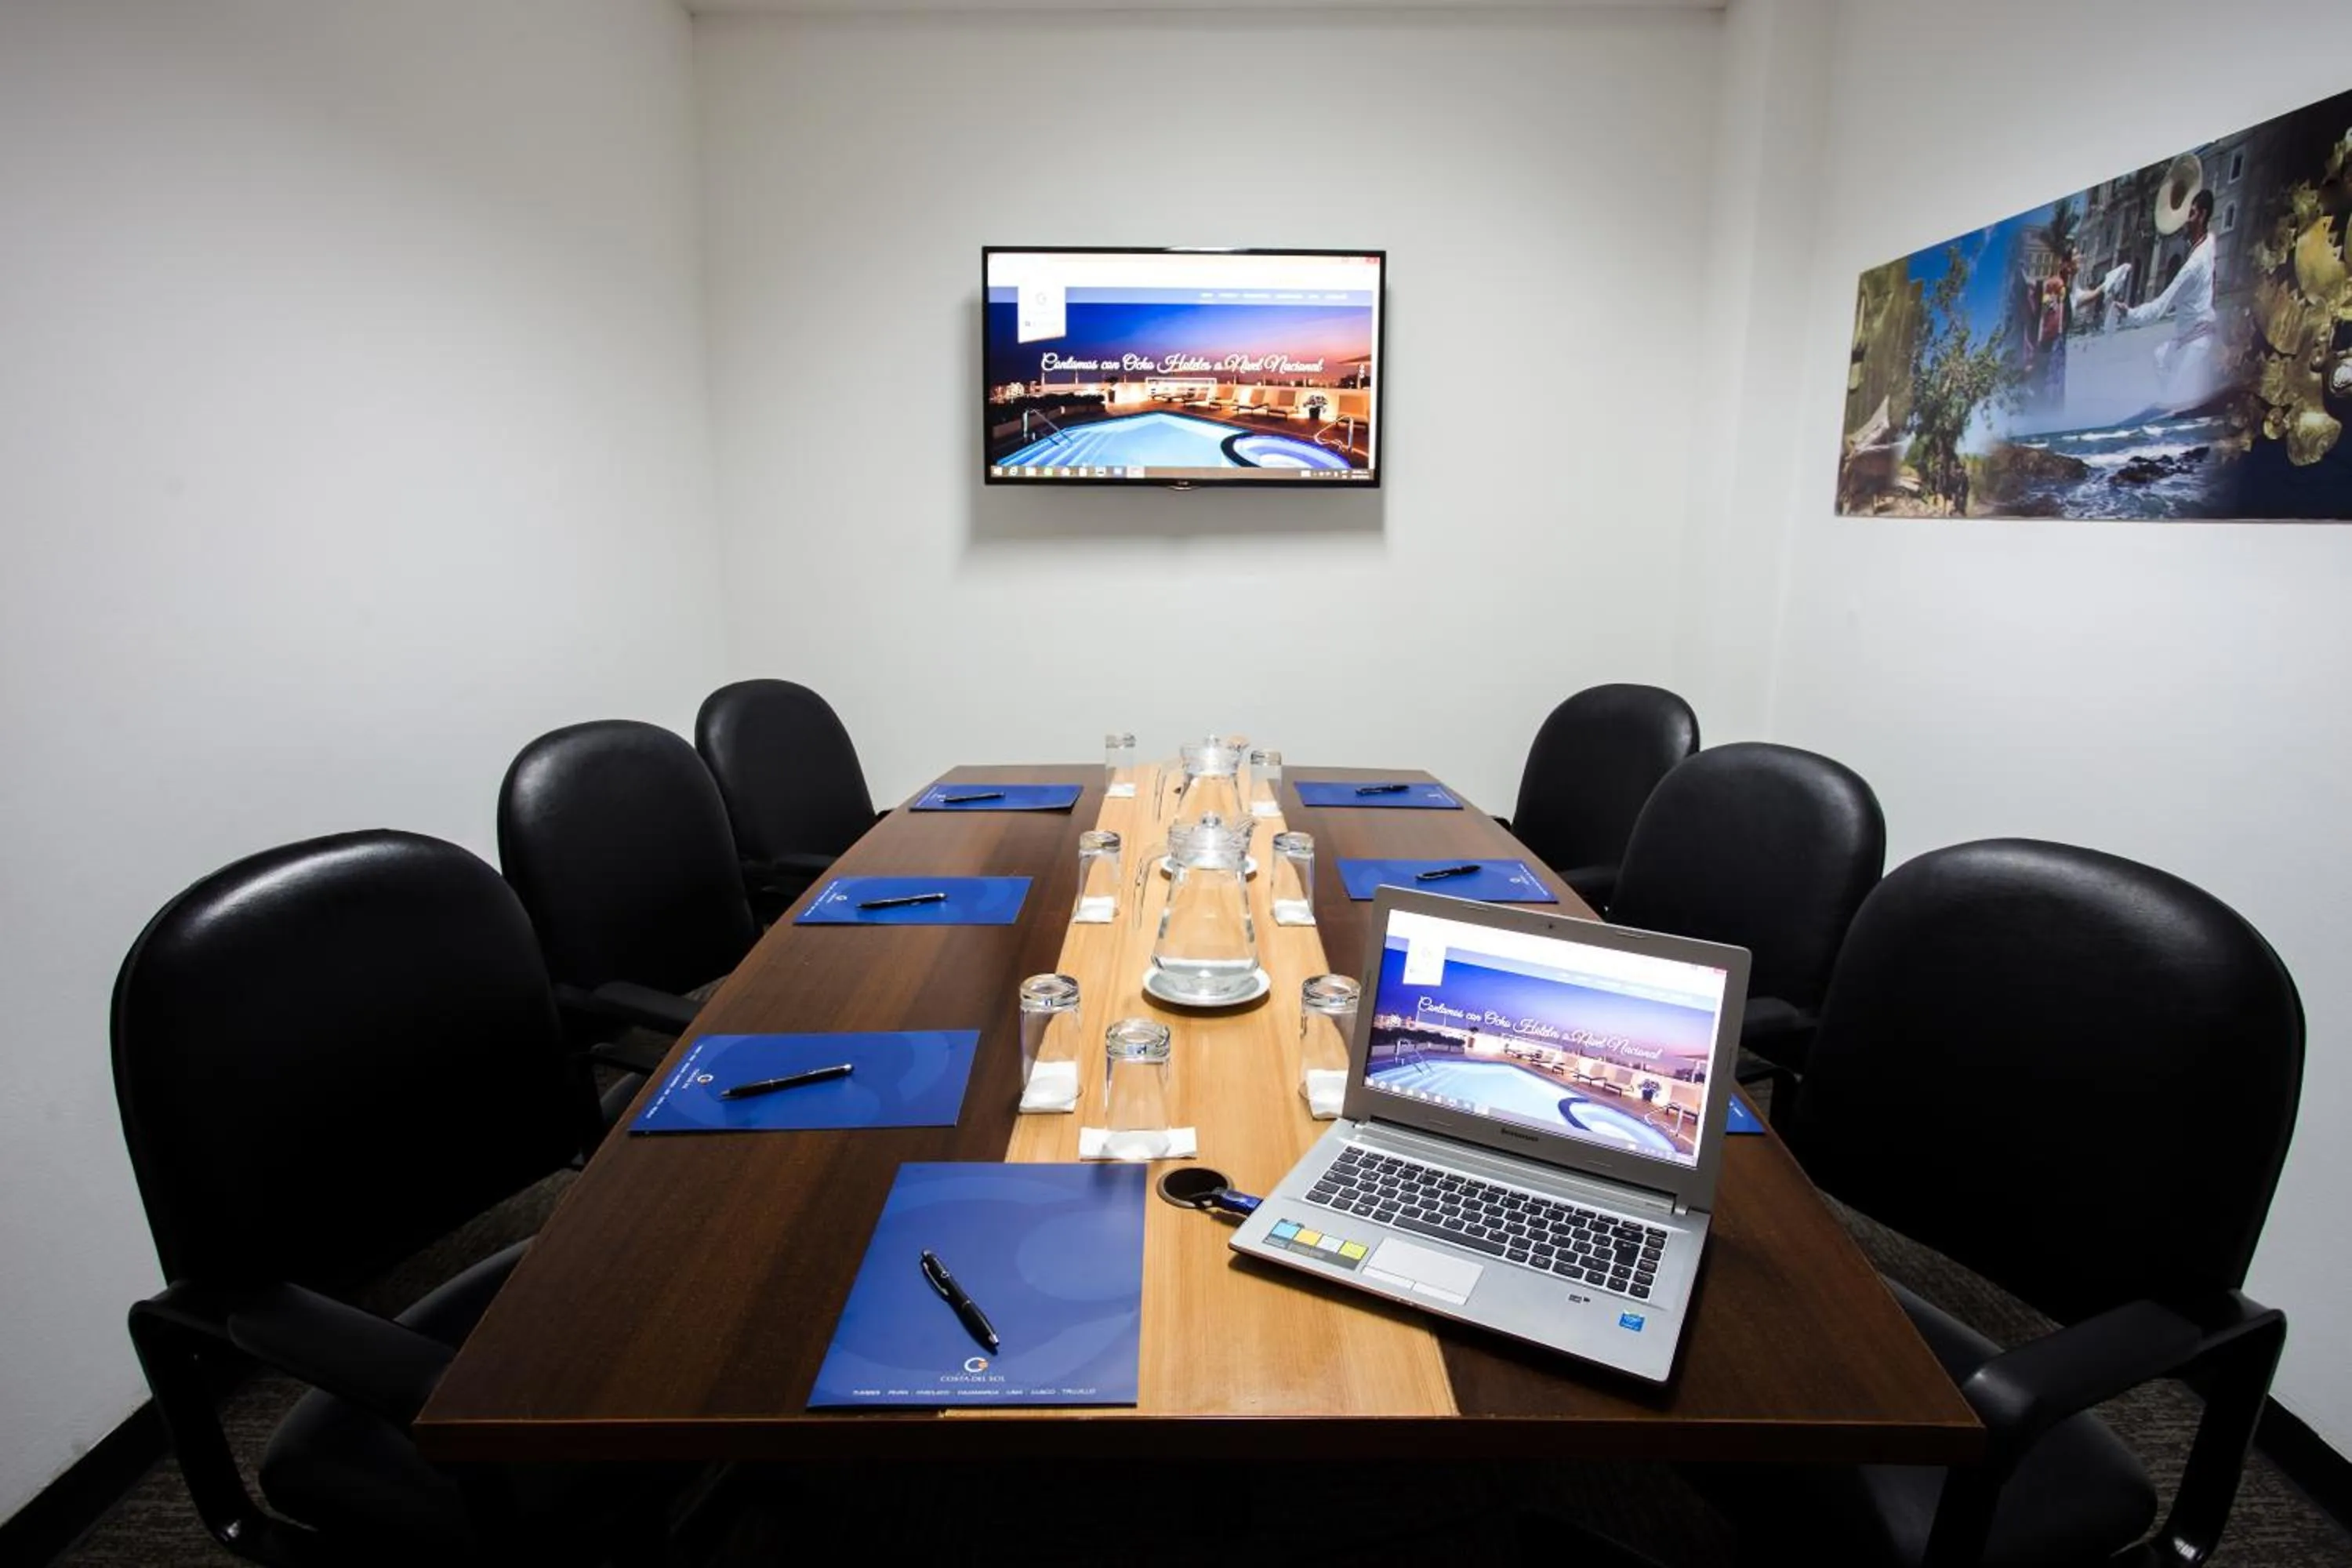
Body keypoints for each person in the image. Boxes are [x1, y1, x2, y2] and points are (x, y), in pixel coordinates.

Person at [2119, 189, 2221, 405]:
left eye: (2191, 213)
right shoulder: (2209, 242)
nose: (2186, 218)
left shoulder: (2192, 267)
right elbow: (2214, 273)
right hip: (2190, 335)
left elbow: (2158, 309)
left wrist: (2129, 314)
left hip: (2197, 341)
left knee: (2174, 399)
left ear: (2202, 216)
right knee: (2159, 356)